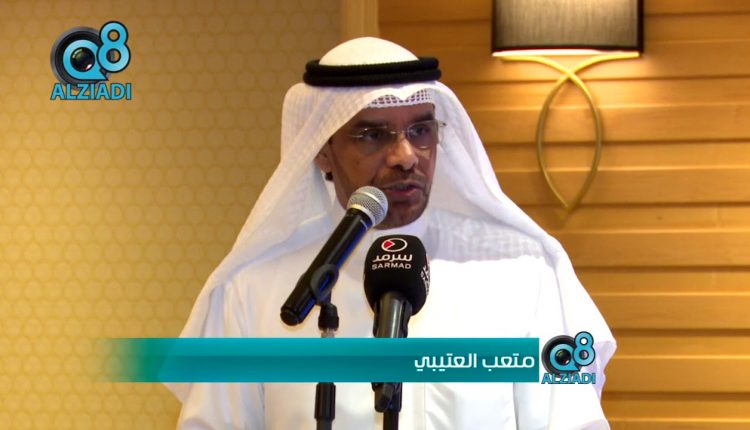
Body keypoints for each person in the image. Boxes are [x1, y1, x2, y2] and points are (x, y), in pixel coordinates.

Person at [170, 37, 615, 429]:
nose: (405, 155)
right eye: (372, 135)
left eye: (420, 130)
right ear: (323, 151)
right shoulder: (255, 288)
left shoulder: (520, 273)